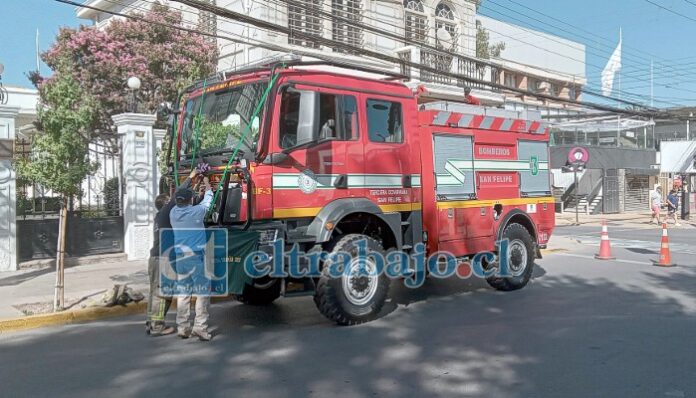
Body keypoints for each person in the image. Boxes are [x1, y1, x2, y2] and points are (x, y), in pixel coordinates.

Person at [170, 171, 214, 341]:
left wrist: (191, 177)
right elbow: (209, 200)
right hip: (195, 257)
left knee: (184, 292)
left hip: (180, 258)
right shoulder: (197, 212)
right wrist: (206, 182)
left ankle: (183, 327)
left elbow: (179, 193)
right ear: (190, 200)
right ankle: (200, 327)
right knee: (203, 292)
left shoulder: (173, 213)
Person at [145, 192, 176, 336]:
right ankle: (157, 326)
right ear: (165, 205)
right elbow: (176, 199)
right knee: (163, 294)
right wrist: (192, 178)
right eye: (169, 201)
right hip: (162, 259)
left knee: (154, 293)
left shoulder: (159, 218)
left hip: (155, 258)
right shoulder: (164, 214)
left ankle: (151, 323)